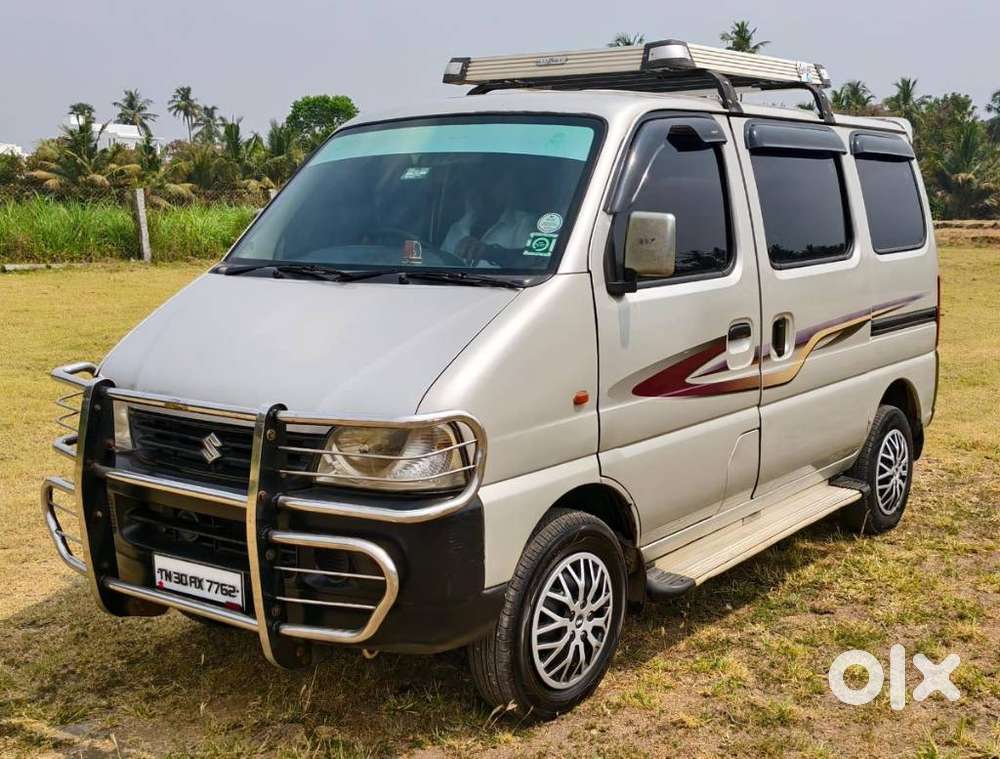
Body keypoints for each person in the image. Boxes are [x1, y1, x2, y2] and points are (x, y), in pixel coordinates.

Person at [441, 170, 538, 267]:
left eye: (489, 186)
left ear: (507, 188)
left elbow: (535, 261)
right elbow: (440, 266)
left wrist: (492, 253)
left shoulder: (526, 223)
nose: (482, 192)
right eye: (474, 185)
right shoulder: (456, 229)